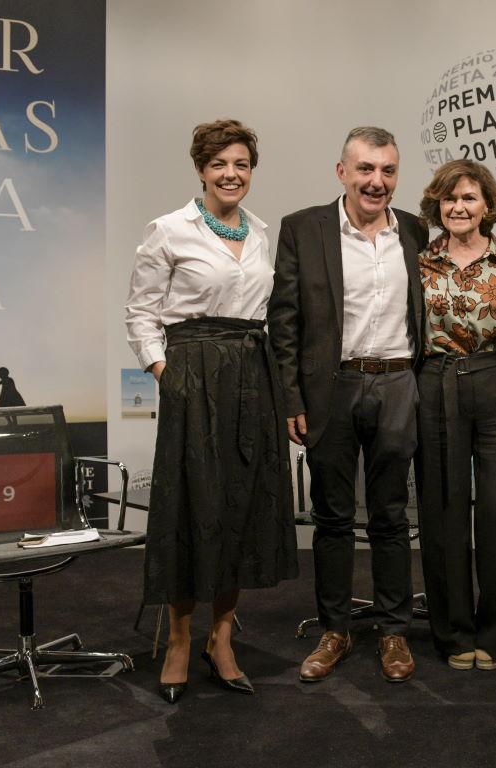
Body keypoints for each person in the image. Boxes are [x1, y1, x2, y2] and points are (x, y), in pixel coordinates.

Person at [125, 119, 298, 704]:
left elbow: (265, 314)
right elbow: (141, 314)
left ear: (252, 171)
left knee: (242, 506)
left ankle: (221, 637)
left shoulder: (262, 233)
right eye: (221, 164)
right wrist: (166, 375)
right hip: (193, 374)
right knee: (189, 505)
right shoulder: (168, 230)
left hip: (253, 373)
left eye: (242, 164)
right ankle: (178, 637)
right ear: (200, 169)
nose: (232, 174)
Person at [268, 126, 427, 683]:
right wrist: (290, 396)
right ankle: (334, 628)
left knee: (390, 515)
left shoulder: (415, 229)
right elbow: (283, 322)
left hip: (398, 384)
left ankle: (393, 631)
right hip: (329, 389)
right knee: (332, 516)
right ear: (342, 172)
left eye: (386, 171)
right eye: (365, 169)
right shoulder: (303, 229)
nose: (376, 181)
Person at [415, 159, 496, 671]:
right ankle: (453, 632)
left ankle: (493, 632)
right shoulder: (416, 261)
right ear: (438, 207)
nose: (458, 208)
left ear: (488, 206)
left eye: (469, 199)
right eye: (449, 199)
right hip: (435, 381)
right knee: (443, 510)